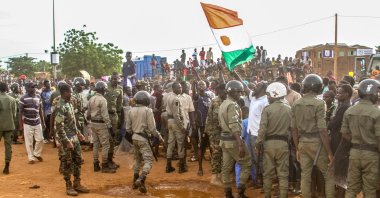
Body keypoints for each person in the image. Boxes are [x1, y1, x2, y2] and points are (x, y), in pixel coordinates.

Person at [291, 74, 335, 198]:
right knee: (329, 175)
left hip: (302, 143)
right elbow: (322, 129)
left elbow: (293, 129)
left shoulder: (296, 103)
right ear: (319, 87)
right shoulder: (320, 103)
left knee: (305, 175)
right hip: (317, 143)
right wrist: (330, 153)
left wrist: (297, 148)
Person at [340, 79, 380, 197]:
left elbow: (344, 134)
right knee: (369, 190)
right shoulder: (377, 113)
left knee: (352, 188)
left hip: (354, 153)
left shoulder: (349, 111)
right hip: (371, 155)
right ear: (372, 94)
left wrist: (357, 140)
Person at [255, 82, 291, 198]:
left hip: (269, 144)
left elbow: (262, 129)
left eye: (269, 95)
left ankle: (267, 196)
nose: (268, 97)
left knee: (267, 174)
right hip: (283, 144)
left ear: (274, 94)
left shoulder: (267, 109)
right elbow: (292, 128)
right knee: (283, 174)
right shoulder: (289, 109)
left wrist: (258, 143)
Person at [55, 83, 89, 196]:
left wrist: (78, 133)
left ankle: (77, 183)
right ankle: (68, 186)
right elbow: (59, 126)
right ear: (64, 93)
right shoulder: (60, 107)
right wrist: (66, 141)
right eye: (69, 92)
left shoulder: (69, 104)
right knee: (67, 163)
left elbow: (72, 122)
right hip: (66, 139)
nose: (71, 94)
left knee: (78, 160)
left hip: (74, 137)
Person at [219, 80, 251, 198]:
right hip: (233, 139)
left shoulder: (224, 103)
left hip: (224, 140)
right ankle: (241, 192)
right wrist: (240, 144)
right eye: (239, 92)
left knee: (226, 168)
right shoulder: (232, 105)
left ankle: (228, 193)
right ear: (233, 92)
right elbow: (234, 125)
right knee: (247, 163)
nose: (240, 95)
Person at [126, 91, 161, 194]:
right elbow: (153, 128)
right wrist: (158, 136)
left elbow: (128, 129)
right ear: (147, 100)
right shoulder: (148, 110)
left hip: (134, 138)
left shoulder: (130, 110)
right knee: (149, 160)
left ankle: (134, 182)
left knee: (137, 160)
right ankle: (141, 179)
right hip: (144, 139)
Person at [87, 81, 116, 173]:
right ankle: (104, 165)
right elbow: (105, 116)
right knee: (105, 145)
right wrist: (110, 127)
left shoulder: (91, 99)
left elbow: (88, 114)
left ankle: (96, 164)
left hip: (93, 123)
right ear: (103, 90)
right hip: (101, 124)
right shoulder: (103, 100)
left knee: (95, 144)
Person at [19, 82, 46, 164]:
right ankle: (31, 158)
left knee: (41, 139)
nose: (34, 89)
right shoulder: (23, 98)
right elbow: (20, 112)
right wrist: (21, 125)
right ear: (27, 89)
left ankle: (36, 154)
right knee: (29, 141)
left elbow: (40, 110)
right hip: (27, 123)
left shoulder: (38, 97)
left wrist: (43, 122)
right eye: (31, 87)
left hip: (37, 122)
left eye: (34, 87)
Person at [205, 83, 226, 186]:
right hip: (215, 132)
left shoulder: (226, 101)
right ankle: (214, 177)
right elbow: (213, 118)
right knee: (217, 154)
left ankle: (221, 175)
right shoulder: (216, 102)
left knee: (223, 154)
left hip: (222, 133)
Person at [165, 82, 187, 174]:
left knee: (171, 143)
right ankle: (181, 167)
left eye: (181, 87)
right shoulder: (176, 99)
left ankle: (168, 166)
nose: (180, 89)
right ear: (173, 88)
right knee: (180, 144)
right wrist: (182, 127)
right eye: (178, 88)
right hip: (175, 122)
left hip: (170, 121)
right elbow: (176, 115)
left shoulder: (168, 96)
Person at [105, 72, 123, 168]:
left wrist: (119, 118)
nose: (114, 80)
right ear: (110, 79)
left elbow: (120, 104)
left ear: (118, 79)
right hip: (105, 115)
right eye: (112, 79)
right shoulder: (105, 87)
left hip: (114, 115)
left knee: (113, 137)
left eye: (116, 79)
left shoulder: (120, 89)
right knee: (107, 138)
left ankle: (110, 159)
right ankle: (106, 161)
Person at [0, 82, 17, 174]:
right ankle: (7, 166)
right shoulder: (12, 99)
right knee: (8, 146)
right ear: (6, 89)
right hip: (9, 125)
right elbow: (14, 114)